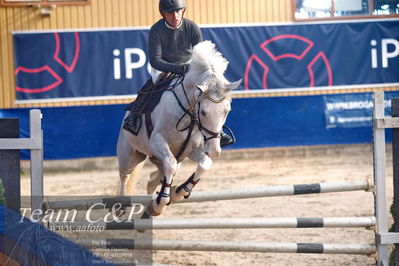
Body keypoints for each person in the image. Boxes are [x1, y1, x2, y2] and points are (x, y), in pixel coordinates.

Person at [124, 0, 234, 147]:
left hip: (189, 67)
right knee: (149, 87)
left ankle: (218, 132)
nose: (175, 16)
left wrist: (195, 70)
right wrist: (176, 68)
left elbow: (199, 55)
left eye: (178, 11)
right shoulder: (156, 29)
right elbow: (155, 60)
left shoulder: (191, 27)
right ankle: (133, 117)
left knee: (211, 95)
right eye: (170, 13)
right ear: (163, 14)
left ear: (183, 10)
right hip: (164, 67)